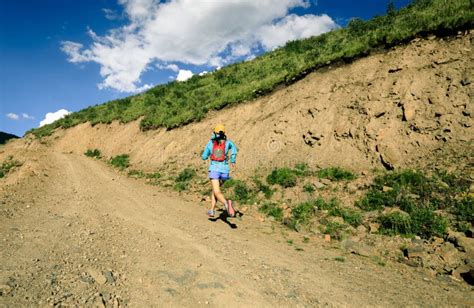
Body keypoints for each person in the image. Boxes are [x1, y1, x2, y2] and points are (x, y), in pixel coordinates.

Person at [201, 124, 238, 217]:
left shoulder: (211, 143)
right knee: (215, 190)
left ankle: (226, 204)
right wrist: (233, 160)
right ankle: (212, 210)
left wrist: (205, 156)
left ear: (215, 133)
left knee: (217, 192)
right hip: (225, 171)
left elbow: (204, 157)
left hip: (214, 170)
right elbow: (234, 149)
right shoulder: (228, 142)